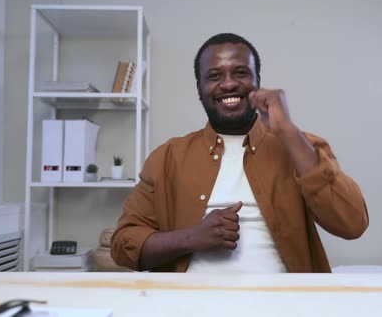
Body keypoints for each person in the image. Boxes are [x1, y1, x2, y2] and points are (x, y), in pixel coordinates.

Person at [111, 33, 368, 273]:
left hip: (284, 303)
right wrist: (191, 237)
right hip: (190, 304)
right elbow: (123, 244)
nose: (229, 83)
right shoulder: (167, 157)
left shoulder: (300, 146)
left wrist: (288, 131)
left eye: (241, 73)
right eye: (214, 76)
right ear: (199, 89)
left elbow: (352, 224)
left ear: (257, 82)